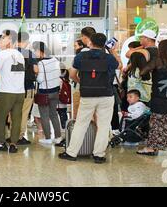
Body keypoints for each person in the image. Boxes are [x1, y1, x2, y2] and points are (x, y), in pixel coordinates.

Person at [59, 33, 119, 164]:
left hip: (87, 95)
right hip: (106, 95)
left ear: (90, 42)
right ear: (104, 44)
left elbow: (72, 74)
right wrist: (113, 51)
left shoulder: (81, 56)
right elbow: (118, 65)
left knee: (81, 124)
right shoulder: (109, 58)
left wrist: (81, 82)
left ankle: (71, 152)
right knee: (103, 125)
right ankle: (99, 155)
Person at [0, 30, 25, 153]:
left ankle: (1, 142)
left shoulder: (3, 54)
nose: (0, 41)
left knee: (0, 117)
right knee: (16, 118)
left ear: (9, 41)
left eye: (2, 39)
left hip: (6, 92)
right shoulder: (20, 55)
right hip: (20, 92)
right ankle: (13, 144)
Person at [32, 41, 63, 145]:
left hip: (44, 93)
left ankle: (48, 138)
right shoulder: (55, 60)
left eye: (35, 51)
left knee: (44, 115)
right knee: (54, 114)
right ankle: (58, 136)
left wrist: (36, 76)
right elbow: (58, 74)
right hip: (55, 91)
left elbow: (40, 80)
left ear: (40, 51)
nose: (35, 53)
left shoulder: (41, 63)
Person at [17, 32, 38, 145]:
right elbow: (35, 70)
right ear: (26, 42)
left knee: (13, 113)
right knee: (24, 113)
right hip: (27, 87)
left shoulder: (10, 53)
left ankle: (11, 135)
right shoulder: (29, 53)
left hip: (13, 89)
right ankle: (20, 136)